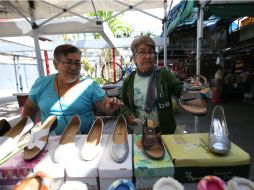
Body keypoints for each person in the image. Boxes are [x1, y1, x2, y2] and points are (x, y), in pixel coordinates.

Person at [23, 44, 123, 135]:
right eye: (68, 63)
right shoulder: (42, 84)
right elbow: (30, 108)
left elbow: (104, 104)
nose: (74, 67)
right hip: (48, 141)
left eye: (77, 63)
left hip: (84, 140)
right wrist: (25, 132)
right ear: (55, 64)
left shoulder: (89, 84)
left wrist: (110, 106)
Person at [121, 35, 183, 134]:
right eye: (142, 52)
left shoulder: (164, 74)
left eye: (151, 52)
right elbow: (122, 103)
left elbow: (179, 88)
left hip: (164, 133)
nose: (148, 56)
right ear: (134, 57)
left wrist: (190, 95)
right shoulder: (129, 80)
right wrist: (128, 114)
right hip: (139, 132)